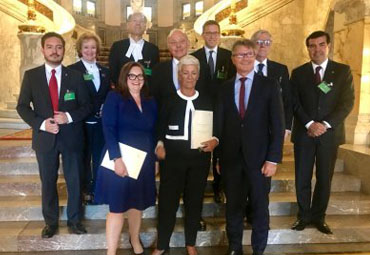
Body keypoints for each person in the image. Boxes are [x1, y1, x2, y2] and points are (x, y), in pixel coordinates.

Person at [16, 32, 92, 238]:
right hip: (44, 139)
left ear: (64, 50)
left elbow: (86, 106)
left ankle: (75, 221)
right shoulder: (31, 76)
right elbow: (22, 106)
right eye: (50, 47)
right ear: (43, 50)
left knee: (74, 181)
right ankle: (50, 223)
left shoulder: (75, 76)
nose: (54, 51)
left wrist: (68, 116)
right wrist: (41, 124)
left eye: (58, 47)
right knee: (48, 182)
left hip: (72, 137)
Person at [215, 39, 284, 255]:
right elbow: (219, 126)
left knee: (259, 207)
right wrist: (217, 158)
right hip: (231, 159)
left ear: (254, 57)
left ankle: (258, 250)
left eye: (248, 54)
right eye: (239, 55)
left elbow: (278, 124)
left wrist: (273, 159)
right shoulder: (224, 88)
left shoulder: (269, 85)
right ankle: (235, 247)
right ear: (233, 59)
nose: (244, 58)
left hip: (260, 160)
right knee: (233, 207)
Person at [152, 55, 218, 255]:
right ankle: (162, 244)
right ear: (179, 74)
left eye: (193, 73)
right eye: (185, 73)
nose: (189, 77)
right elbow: (159, 127)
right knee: (167, 203)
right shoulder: (168, 99)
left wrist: (215, 139)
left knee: (194, 201)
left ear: (198, 76)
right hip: (172, 159)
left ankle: (191, 243)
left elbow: (217, 127)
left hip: (199, 159)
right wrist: (159, 144)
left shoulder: (208, 100)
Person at [290, 31, 354, 234]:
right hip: (304, 133)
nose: (316, 49)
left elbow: (347, 103)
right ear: (307, 48)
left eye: (320, 44)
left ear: (328, 46)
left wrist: (324, 124)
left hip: (329, 135)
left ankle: (319, 217)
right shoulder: (298, 73)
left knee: (324, 177)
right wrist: (309, 124)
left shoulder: (343, 71)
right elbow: (294, 102)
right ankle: (303, 215)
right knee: (302, 177)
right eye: (312, 45)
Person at [94, 62, 157, 255]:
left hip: (142, 160)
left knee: (137, 205)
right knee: (117, 207)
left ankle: (134, 239)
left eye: (140, 76)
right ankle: (111, 251)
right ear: (124, 77)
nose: (136, 80)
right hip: (120, 158)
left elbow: (153, 132)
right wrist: (117, 159)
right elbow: (108, 129)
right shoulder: (115, 97)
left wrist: (154, 159)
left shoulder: (150, 100)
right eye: (132, 76)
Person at [192, 20, 236, 204]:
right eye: (208, 33)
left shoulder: (229, 56)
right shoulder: (194, 57)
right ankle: (198, 189)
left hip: (223, 111)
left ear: (219, 35)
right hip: (200, 112)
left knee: (221, 152)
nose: (211, 36)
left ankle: (219, 188)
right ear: (202, 35)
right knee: (201, 152)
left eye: (215, 33)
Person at [68, 32, 111, 204]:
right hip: (81, 123)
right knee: (84, 158)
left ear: (98, 49)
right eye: (86, 47)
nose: (90, 50)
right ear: (80, 49)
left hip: (100, 123)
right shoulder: (72, 70)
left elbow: (107, 95)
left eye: (93, 47)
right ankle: (85, 190)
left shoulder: (105, 71)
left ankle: (98, 189)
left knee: (100, 157)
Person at [151, 29, 208, 109]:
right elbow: (155, 98)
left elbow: (207, 96)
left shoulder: (203, 68)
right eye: (173, 42)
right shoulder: (158, 70)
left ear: (188, 43)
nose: (178, 45)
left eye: (182, 41)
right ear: (168, 46)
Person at [109, 12, 159, 86]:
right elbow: (113, 72)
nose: (138, 24)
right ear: (128, 25)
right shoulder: (117, 47)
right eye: (134, 21)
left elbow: (154, 74)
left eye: (141, 21)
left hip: (145, 94)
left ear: (145, 26)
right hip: (122, 93)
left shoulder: (153, 49)